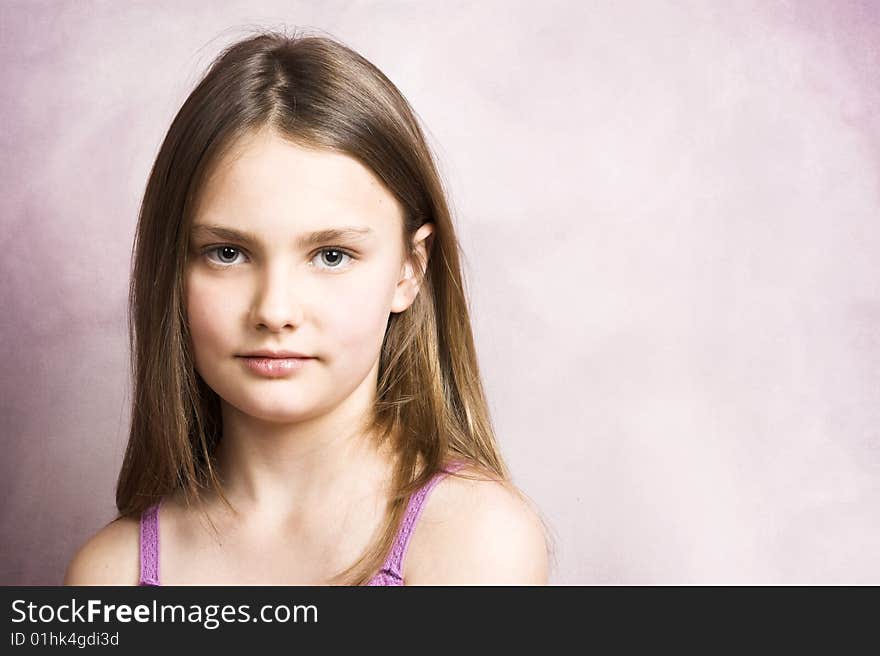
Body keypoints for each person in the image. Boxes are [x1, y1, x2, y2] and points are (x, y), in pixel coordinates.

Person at [63, 28, 552, 586]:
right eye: (228, 253)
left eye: (331, 255)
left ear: (409, 270)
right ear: (172, 271)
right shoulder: (110, 576)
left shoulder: (474, 540)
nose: (274, 311)